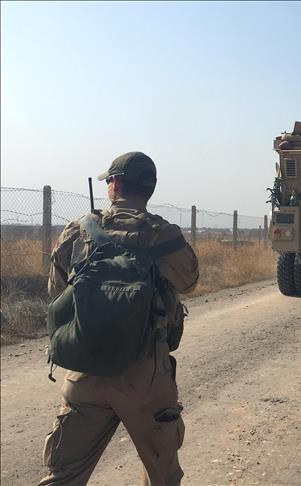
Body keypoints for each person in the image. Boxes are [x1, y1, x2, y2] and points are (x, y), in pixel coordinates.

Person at [39, 152, 199, 486]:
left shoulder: (79, 229)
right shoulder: (163, 234)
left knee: (64, 476)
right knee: (163, 476)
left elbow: (56, 292)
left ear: (115, 184)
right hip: (146, 373)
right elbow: (189, 282)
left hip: (86, 368)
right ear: (150, 188)